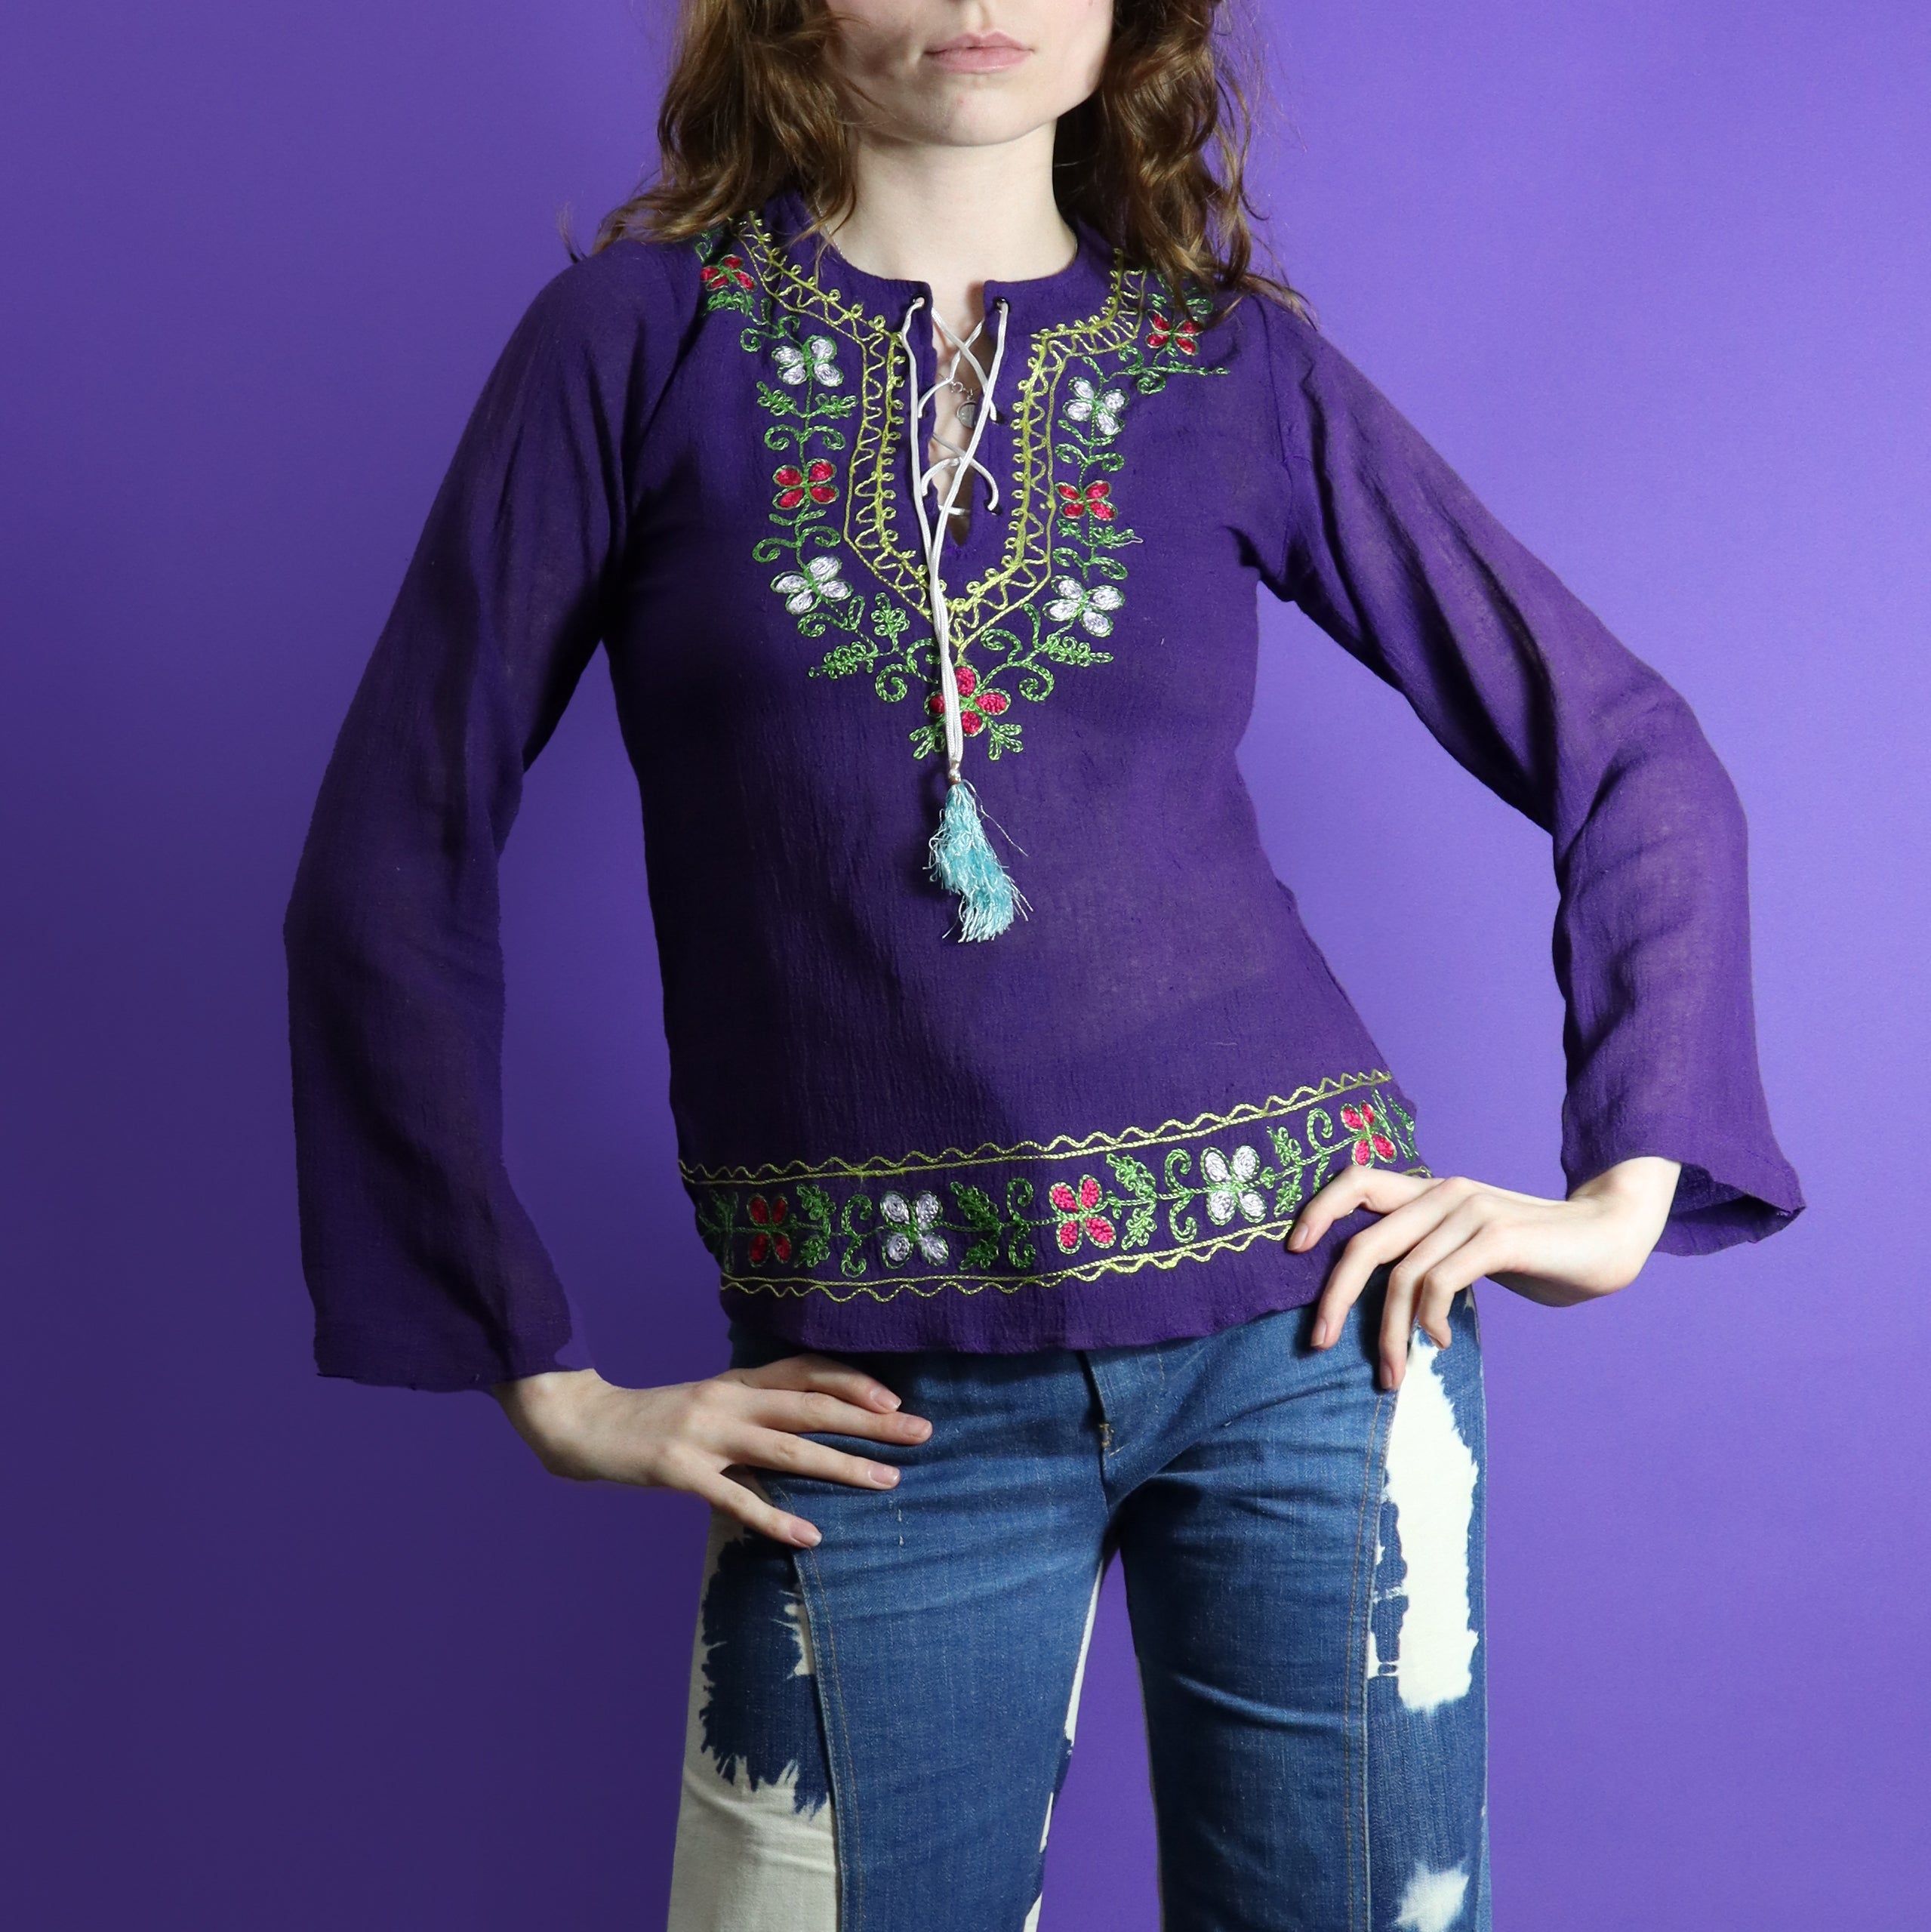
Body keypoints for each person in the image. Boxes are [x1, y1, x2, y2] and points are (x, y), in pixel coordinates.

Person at [283, 0, 1803, 1924]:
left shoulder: (1226, 363)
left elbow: (1632, 751)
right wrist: (544, 1373)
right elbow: (388, 850)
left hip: (1315, 1335)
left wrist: (1618, 1195)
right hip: (876, 1400)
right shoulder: (637, 342)